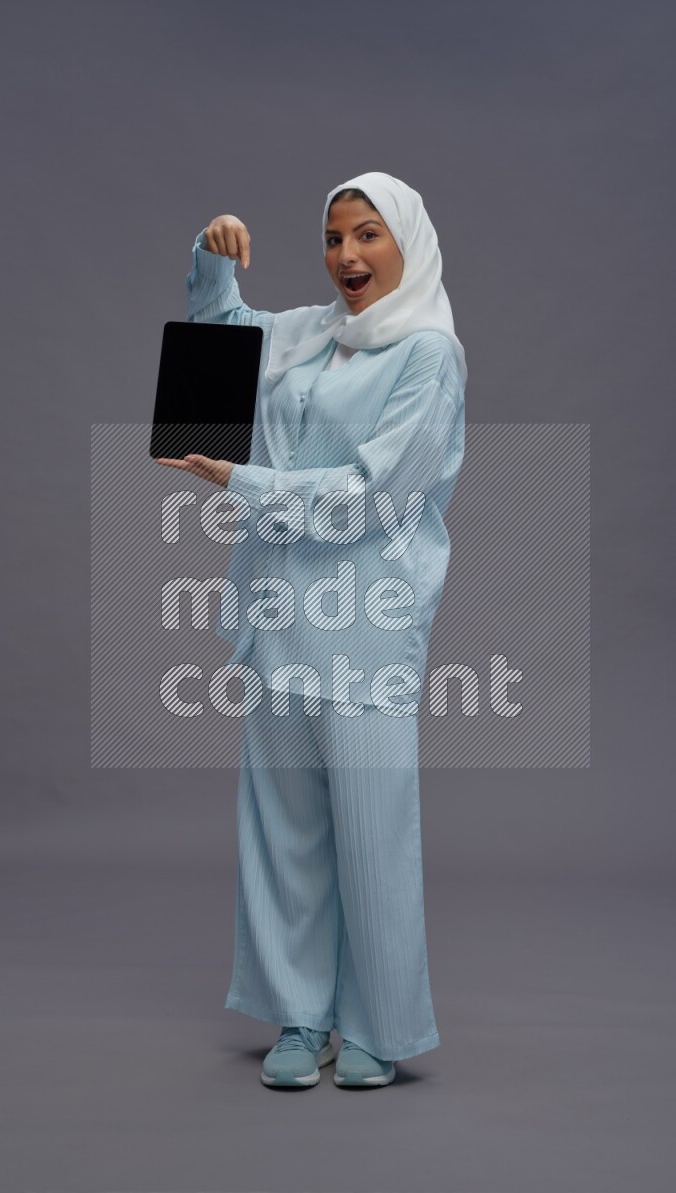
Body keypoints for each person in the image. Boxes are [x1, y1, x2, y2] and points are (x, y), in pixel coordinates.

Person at [156, 172, 466, 1089]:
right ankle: (302, 1014)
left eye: (367, 234)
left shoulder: (428, 355)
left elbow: (376, 494)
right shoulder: (310, 335)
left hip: (365, 626)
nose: (346, 256)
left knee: (371, 833)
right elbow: (221, 336)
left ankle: (377, 1023)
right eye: (334, 238)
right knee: (284, 830)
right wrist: (212, 256)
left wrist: (242, 482)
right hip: (279, 618)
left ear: (407, 243)